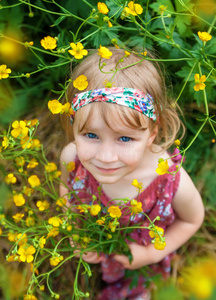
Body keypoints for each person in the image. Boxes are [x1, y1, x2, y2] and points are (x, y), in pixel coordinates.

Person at [59, 49, 204, 300]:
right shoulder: (71, 157)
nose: (105, 156)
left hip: (142, 259)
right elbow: (66, 190)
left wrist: (151, 255)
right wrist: (75, 230)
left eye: (125, 138)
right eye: (91, 135)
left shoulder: (168, 178)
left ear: (152, 134)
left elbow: (192, 220)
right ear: (73, 125)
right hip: (100, 245)